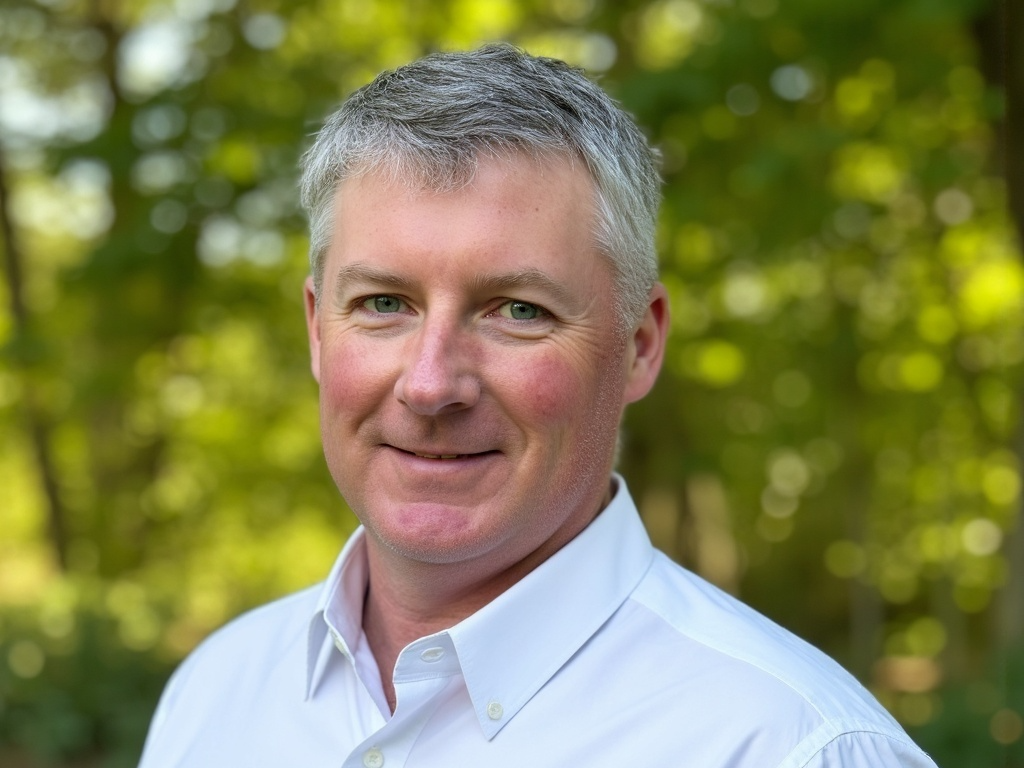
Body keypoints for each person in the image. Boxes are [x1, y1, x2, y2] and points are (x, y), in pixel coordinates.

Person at [138, 44, 939, 767]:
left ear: (638, 345)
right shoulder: (217, 691)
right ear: (317, 328)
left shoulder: (786, 745)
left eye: (517, 310)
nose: (429, 383)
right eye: (385, 302)